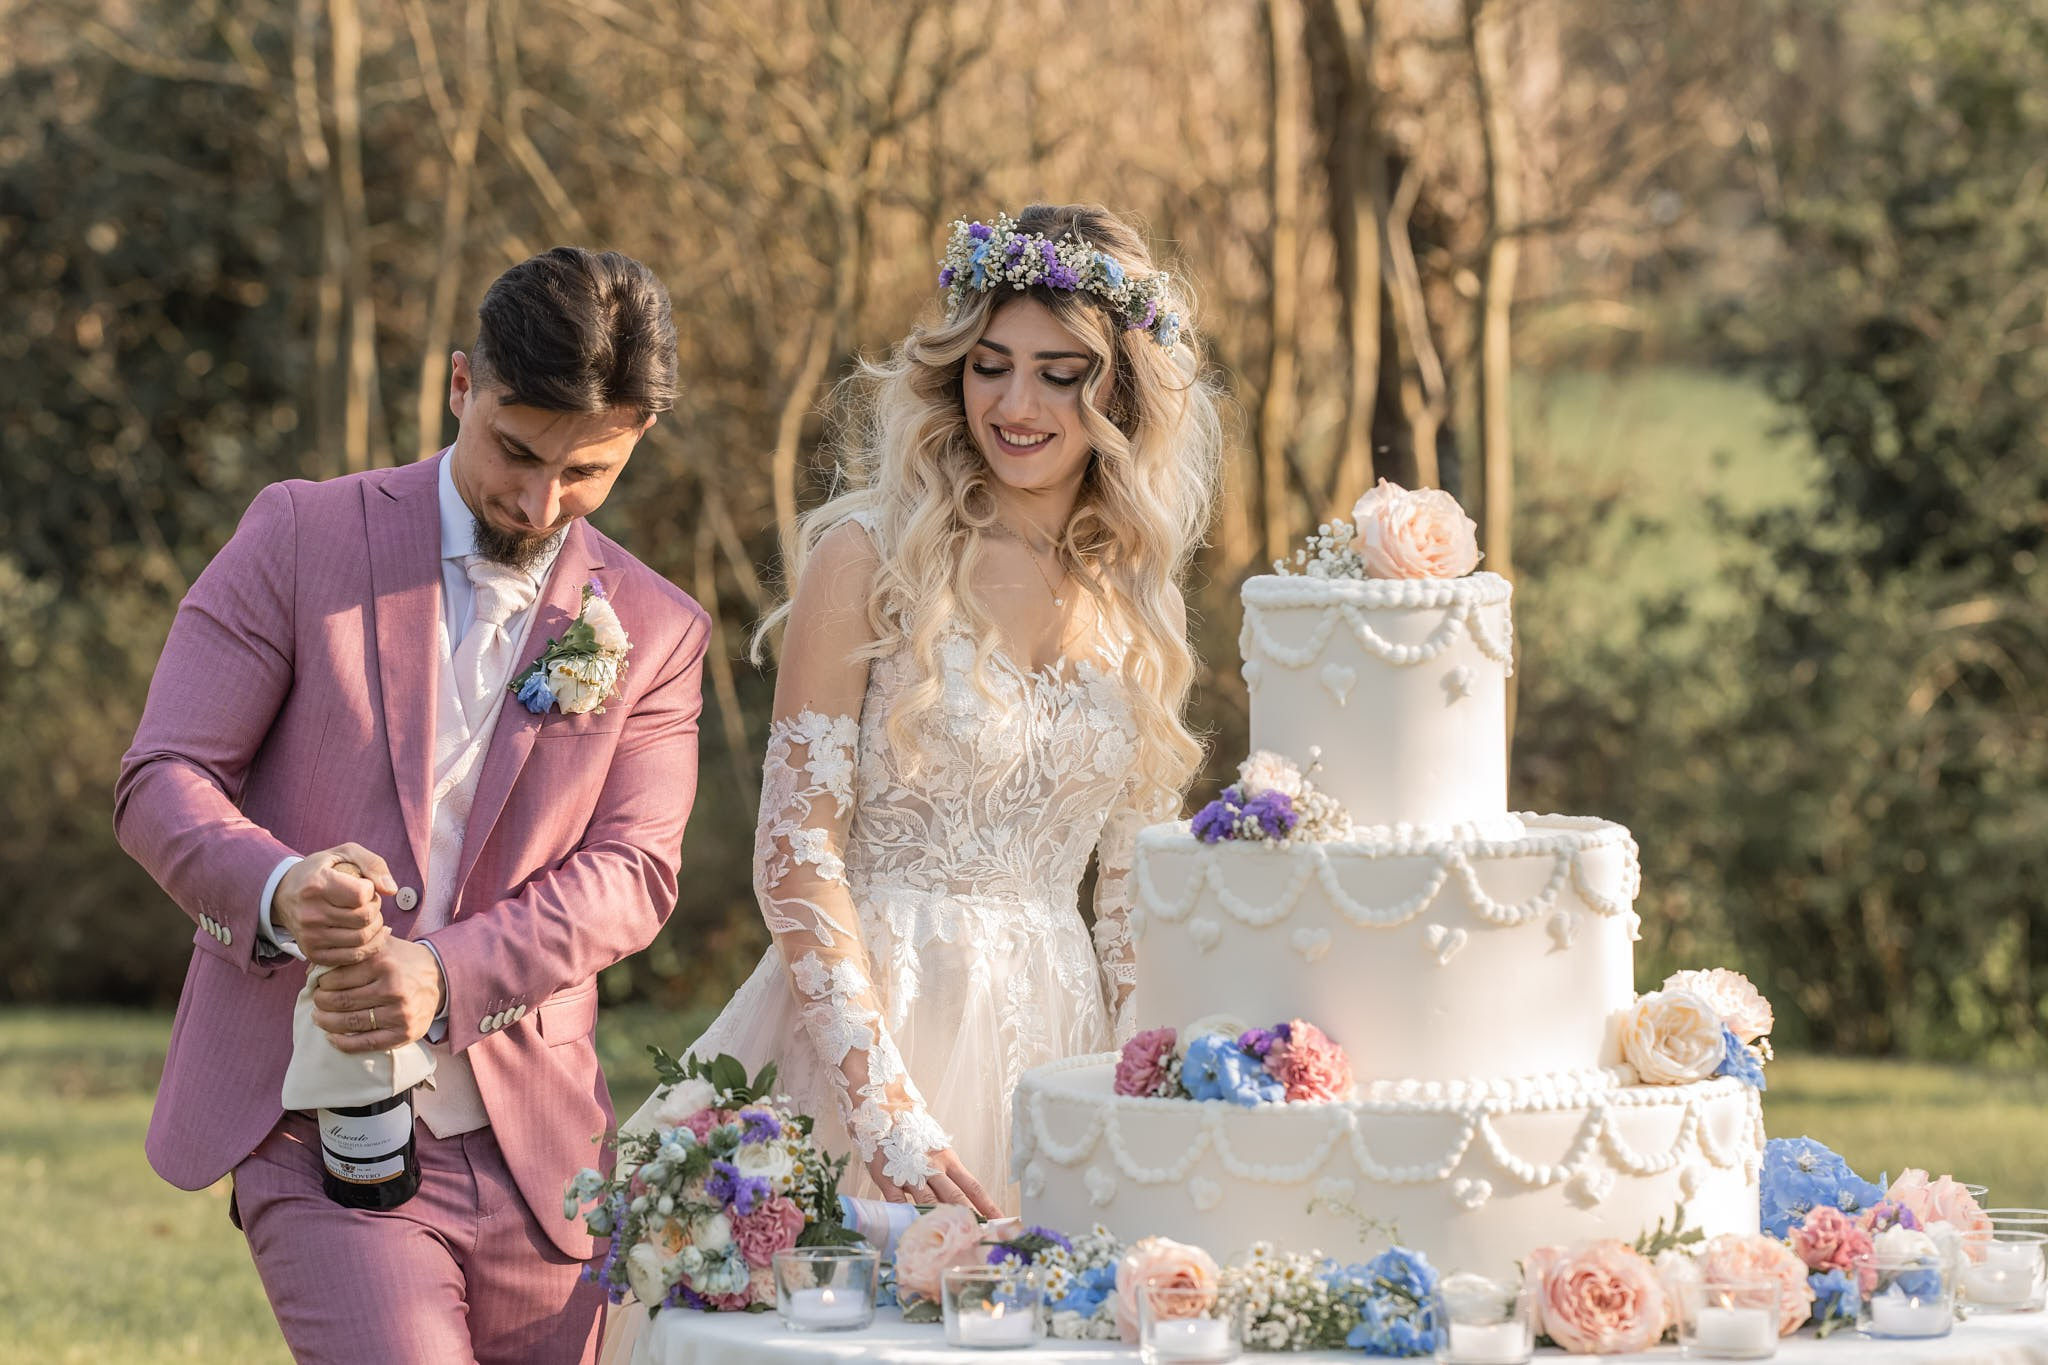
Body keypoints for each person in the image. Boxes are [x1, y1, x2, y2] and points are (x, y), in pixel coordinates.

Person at [114, 246, 710, 1365]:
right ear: (458, 387)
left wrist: (442, 974)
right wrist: (281, 886)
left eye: (586, 474)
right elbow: (163, 777)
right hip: (312, 1120)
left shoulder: (659, 628)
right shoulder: (300, 536)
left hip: (541, 1151)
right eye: (516, 452)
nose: (538, 504)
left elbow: (634, 871)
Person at [631, 203, 1222, 1218]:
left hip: (1057, 1042)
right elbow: (796, 845)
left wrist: (1142, 1087)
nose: (1014, 402)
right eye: (989, 363)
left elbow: (1127, 898)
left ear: (1121, 387)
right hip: (874, 1024)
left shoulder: (1143, 603)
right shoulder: (866, 555)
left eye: (1058, 371)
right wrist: (881, 1107)